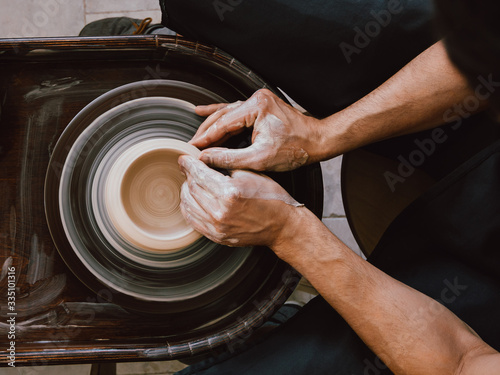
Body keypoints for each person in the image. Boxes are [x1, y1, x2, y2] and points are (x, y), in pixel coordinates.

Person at [160, 0, 500, 373]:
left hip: (478, 287)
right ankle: (142, 48)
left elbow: (461, 362)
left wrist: (289, 232)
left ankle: (259, 336)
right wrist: (319, 135)